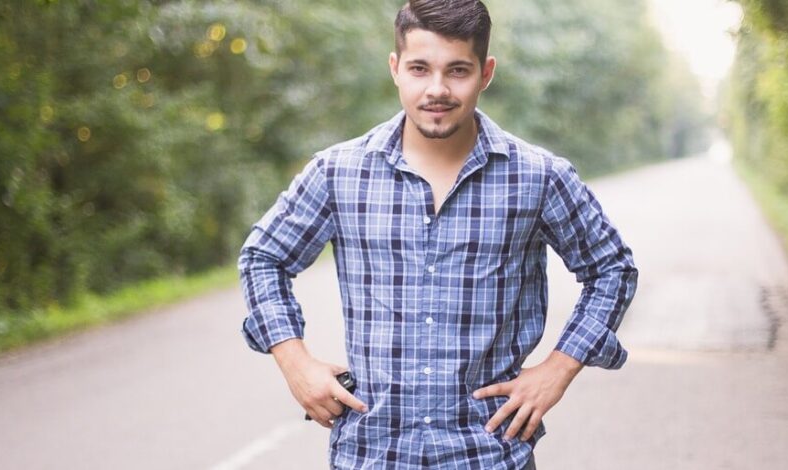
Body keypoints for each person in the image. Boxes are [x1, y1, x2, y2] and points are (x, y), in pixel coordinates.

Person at [238, 0, 638, 468]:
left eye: (458, 70)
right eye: (419, 68)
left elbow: (612, 268)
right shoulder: (338, 173)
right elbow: (263, 257)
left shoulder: (539, 177)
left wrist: (558, 369)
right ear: (395, 68)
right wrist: (295, 363)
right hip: (372, 453)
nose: (437, 89)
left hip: (489, 454)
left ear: (486, 73)